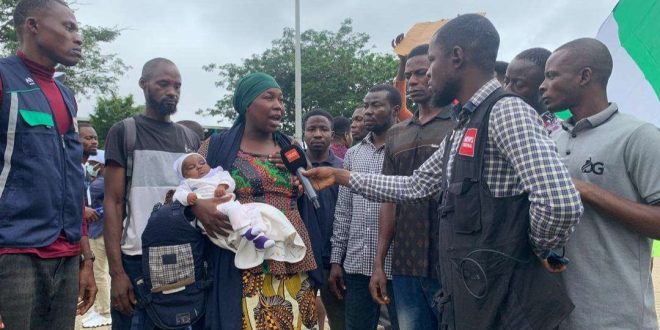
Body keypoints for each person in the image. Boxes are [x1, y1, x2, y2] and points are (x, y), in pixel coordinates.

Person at [303, 14, 583, 329]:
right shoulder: (464, 123)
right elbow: (415, 185)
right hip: (475, 289)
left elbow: (560, 202)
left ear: (457, 58)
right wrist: (343, 177)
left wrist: (532, 250)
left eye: (432, 62)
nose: (427, 75)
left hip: (506, 296)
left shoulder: (506, 111)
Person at [540, 37, 660, 329]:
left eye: (552, 75)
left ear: (584, 76)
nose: (543, 85)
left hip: (617, 317)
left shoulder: (638, 136)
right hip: (557, 315)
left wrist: (585, 189)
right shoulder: (552, 140)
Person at [195, 72, 323, 330]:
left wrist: (299, 182)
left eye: (281, 99)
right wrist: (198, 207)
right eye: (269, 97)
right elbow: (185, 188)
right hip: (244, 265)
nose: (279, 105)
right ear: (246, 104)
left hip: (294, 259)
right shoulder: (217, 146)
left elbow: (309, 189)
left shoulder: (290, 147)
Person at [0, 1, 97, 328]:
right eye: (68, 27)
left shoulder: (66, 95)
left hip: (66, 257)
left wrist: (86, 258)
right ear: (33, 26)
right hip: (13, 255)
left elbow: (72, 179)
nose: (78, 37)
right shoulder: (4, 79)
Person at [103, 58, 200, 329]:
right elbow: (113, 202)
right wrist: (117, 272)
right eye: (163, 84)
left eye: (177, 86)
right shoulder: (125, 132)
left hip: (183, 256)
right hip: (137, 261)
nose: (172, 91)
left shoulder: (189, 139)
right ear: (143, 84)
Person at [369, 43, 453, 330]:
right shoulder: (396, 135)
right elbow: (388, 200)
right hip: (405, 264)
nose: (415, 80)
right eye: (410, 74)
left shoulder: (461, 126)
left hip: (451, 265)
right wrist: (379, 263)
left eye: (422, 72)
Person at [330, 84, 401, 330]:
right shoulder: (353, 154)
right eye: (366, 105)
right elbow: (343, 211)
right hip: (358, 263)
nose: (368, 111)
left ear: (395, 110)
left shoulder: (405, 147)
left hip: (398, 264)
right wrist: (336, 260)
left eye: (376, 105)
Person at [303, 108, 345, 330]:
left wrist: (339, 258)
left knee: (340, 321)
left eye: (323, 129)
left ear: (332, 133)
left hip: (336, 261)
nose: (317, 134)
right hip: (302, 258)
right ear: (303, 133)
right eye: (311, 129)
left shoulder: (343, 168)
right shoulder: (293, 168)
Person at [83, 150, 113, 328]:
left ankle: (104, 311)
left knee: (98, 272)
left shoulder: (100, 184)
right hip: (98, 229)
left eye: (92, 163)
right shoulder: (100, 182)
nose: (89, 166)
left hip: (98, 230)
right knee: (101, 272)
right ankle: (100, 307)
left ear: (100, 166)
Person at [503, 47, 562, 132]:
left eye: (519, 84)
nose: (507, 90)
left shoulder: (559, 129)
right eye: (506, 81)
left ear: (543, 87)